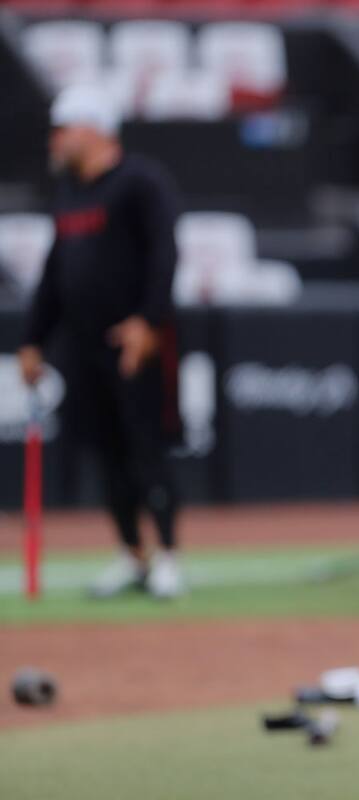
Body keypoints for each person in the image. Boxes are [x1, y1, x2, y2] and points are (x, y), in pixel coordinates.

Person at [18, 84, 184, 600]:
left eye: (62, 129)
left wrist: (147, 323)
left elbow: (164, 254)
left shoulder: (141, 182)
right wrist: (33, 339)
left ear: (92, 129)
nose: (54, 140)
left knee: (145, 449)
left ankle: (168, 555)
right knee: (107, 455)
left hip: (134, 343)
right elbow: (55, 272)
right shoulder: (70, 192)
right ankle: (133, 553)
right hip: (82, 344)